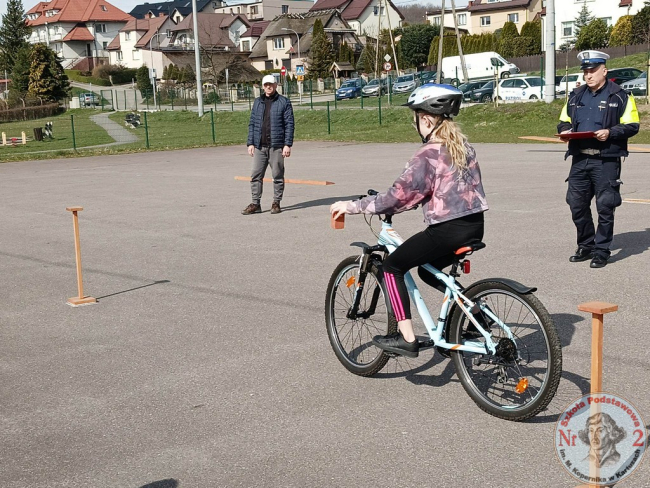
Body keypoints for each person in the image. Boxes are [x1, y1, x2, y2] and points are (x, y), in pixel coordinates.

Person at [329, 84, 488, 358]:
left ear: (425, 118)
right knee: (428, 270)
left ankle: (406, 338)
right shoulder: (462, 146)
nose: (414, 124)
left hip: (447, 229)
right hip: (474, 224)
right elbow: (442, 189)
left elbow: (397, 197)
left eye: (415, 117)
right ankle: (476, 320)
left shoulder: (428, 153)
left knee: (392, 266)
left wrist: (352, 206)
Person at [558, 50, 640, 268]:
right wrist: (565, 131)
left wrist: (610, 133)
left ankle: (601, 251)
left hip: (605, 161)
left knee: (605, 206)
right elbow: (564, 120)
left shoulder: (620, 95)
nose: (588, 75)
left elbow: (632, 125)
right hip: (580, 159)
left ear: (605, 70)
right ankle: (586, 244)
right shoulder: (575, 95)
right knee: (576, 203)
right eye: (585, 71)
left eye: (593, 70)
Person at [242, 74, 295, 215]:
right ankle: (255, 204)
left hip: (277, 146)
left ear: (276, 85)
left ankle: (276, 202)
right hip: (260, 146)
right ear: (263, 86)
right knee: (255, 175)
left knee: (277, 175)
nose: (268, 87)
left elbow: (289, 124)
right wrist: (250, 143)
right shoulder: (258, 102)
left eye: (270, 84)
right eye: (266, 84)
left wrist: (287, 144)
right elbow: (252, 123)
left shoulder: (284, 102)